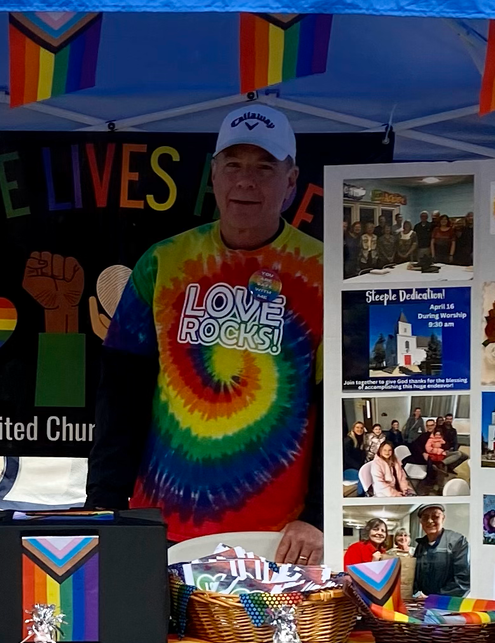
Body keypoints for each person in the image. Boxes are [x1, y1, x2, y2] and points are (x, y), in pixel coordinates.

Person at [87, 103, 325, 563]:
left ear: (291, 181)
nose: (246, 181)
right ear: (213, 174)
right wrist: (103, 504)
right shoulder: (162, 263)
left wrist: (316, 515)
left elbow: (342, 411)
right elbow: (120, 395)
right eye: (233, 165)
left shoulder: (325, 274)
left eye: (264, 167)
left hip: (281, 540)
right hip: (163, 528)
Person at [411, 505, 469, 596]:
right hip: (422, 604)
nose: (430, 521)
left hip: (446, 605)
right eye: (425, 517)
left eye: (435, 516)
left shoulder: (457, 541)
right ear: (421, 522)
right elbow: (414, 576)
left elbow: (463, 581)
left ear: (443, 518)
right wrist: (416, 593)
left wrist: (435, 599)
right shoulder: (420, 546)